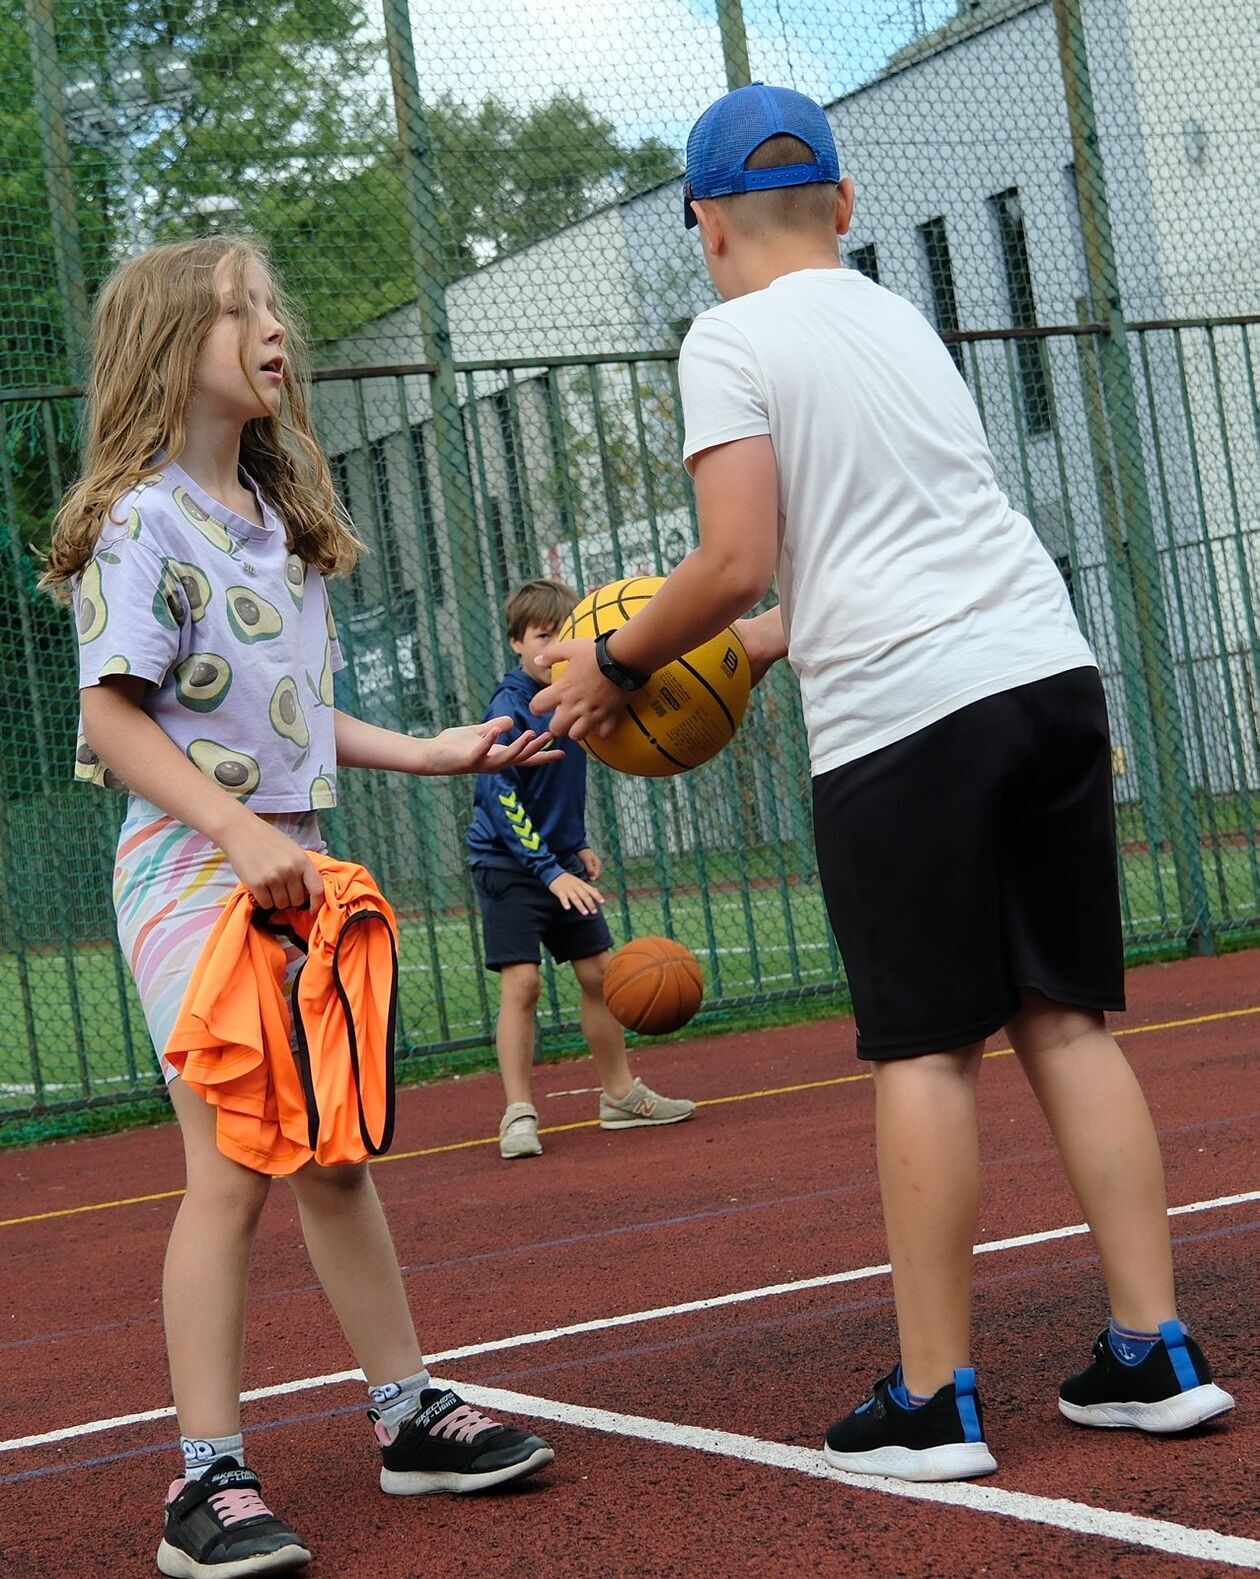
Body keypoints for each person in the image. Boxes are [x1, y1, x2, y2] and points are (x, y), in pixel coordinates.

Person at [532, 84, 1234, 1481]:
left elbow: (734, 558)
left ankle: (934, 1393)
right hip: (1044, 671)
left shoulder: (725, 338)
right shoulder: (898, 320)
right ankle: (1156, 1350)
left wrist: (614, 656)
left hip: (909, 722)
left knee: (926, 1047)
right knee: (1067, 1020)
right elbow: (871, 550)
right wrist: (753, 645)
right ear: (846, 206)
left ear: (702, 221)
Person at [43, 237, 557, 1578]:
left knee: (334, 1152)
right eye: (234, 310)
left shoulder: (278, 530)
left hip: (292, 868)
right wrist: (229, 829)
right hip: (192, 874)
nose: (270, 327)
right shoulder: (139, 520)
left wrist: (437, 747)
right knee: (231, 1171)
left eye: (272, 304)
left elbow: (286, 717)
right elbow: (112, 715)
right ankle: (203, 1477)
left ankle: (407, 1412)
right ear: (167, 346)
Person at [467, 577, 696, 1159]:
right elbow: (504, 797)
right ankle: (518, 1112)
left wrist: (577, 844)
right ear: (518, 642)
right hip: (509, 866)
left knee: (599, 975)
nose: (553, 649)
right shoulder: (510, 706)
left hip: (559, 860)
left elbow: (558, 790)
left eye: (564, 637)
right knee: (523, 983)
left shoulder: (576, 696)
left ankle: (619, 1095)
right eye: (542, 637)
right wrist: (549, 869)